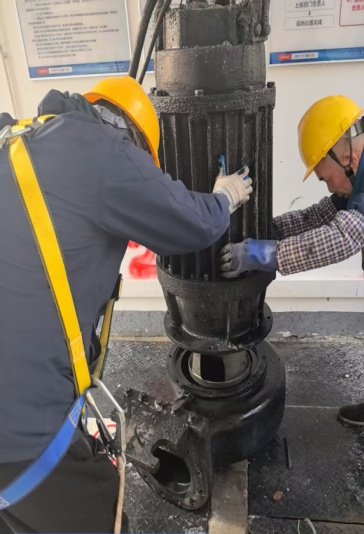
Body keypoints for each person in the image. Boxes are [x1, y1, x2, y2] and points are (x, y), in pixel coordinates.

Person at [0, 75, 252, 533]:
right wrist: (223, 198)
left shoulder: (16, 139)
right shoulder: (99, 150)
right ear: (130, 137)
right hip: (19, 428)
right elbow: (189, 221)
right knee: (101, 515)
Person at [219, 94, 364, 511]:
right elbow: (318, 217)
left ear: (345, 156)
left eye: (325, 178)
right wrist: (265, 231)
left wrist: (264, 255)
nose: (328, 186)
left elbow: (342, 236)